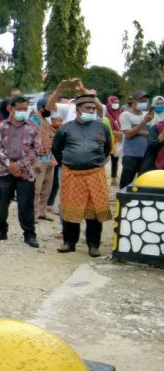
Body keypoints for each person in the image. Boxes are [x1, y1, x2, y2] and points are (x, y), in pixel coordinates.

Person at [51, 94, 113, 257]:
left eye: (93, 108)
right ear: (78, 110)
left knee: (94, 212)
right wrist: (67, 163)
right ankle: (69, 243)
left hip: (95, 174)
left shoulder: (102, 127)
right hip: (72, 174)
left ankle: (93, 245)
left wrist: (95, 161)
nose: (91, 111)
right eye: (88, 108)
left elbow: (107, 148)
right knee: (71, 210)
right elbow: (56, 148)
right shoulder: (66, 128)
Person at [0, 96, 41, 248]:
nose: (22, 112)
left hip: (26, 172)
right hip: (4, 171)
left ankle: (29, 235)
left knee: (26, 205)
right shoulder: (1, 126)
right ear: (11, 109)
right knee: (3, 203)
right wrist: (10, 165)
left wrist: (19, 165)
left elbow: (36, 149)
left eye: (25, 109)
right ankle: (0, 231)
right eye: (19, 109)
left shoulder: (33, 126)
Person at [119, 90, 155, 188]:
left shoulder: (148, 115)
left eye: (146, 101)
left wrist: (136, 130)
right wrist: (143, 123)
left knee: (143, 183)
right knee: (126, 182)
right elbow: (129, 135)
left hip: (146, 154)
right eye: (141, 100)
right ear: (134, 101)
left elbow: (152, 134)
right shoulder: (125, 115)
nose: (144, 103)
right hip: (130, 154)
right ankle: (122, 202)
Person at [29, 98, 57, 221]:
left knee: (46, 188)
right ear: (41, 108)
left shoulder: (45, 120)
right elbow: (29, 142)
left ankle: (41, 212)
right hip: (39, 159)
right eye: (49, 108)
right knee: (36, 188)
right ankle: (32, 213)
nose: (51, 110)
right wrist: (35, 160)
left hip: (49, 158)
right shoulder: (34, 120)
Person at [141, 95, 164, 173]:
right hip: (150, 146)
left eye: (162, 103)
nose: (160, 105)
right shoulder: (149, 116)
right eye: (158, 103)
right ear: (153, 104)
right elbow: (141, 130)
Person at [105, 95, 123, 186]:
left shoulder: (119, 113)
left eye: (117, 102)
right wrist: (115, 132)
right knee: (105, 158)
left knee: (115, 159)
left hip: (118, 139)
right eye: (114, 102)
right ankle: (101, 177)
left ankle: (113, 179)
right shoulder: (106, 114)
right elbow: (106, 127)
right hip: (108, 139)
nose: (116, 104)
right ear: (109, 103)